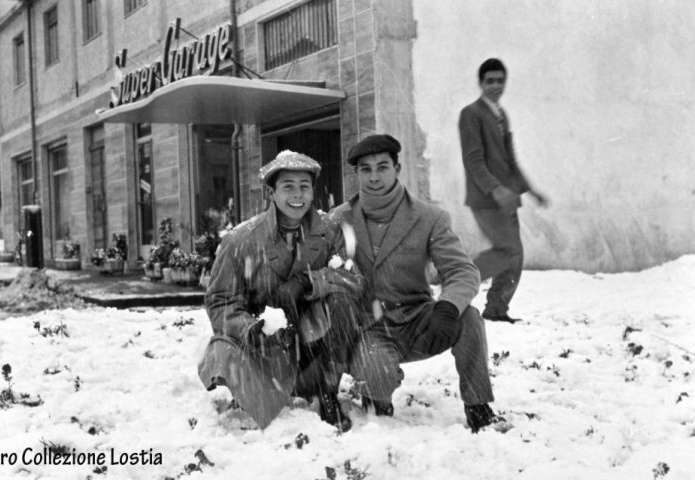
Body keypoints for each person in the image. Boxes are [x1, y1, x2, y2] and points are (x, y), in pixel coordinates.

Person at [329, 134, 503, 432]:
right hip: (372, 325)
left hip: (420, 320)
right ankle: (375, 396)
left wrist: (447, 309)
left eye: (382, 167)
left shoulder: (429, 218)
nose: (374, 177)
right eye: (366, 169)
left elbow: (462, 270)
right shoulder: (339, 220)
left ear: (397, 169)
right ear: (356, 174)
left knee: (469, 318)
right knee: (375, 381)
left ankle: (478, 407)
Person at [198, 150, 364, 431]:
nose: (297, 195)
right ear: (271, 193)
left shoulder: (330, 230)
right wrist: (251, 329)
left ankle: (326, 389)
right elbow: (220, 302)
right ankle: (256, 390)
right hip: (262, 348)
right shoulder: (241, 240)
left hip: (312, 346)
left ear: (313, 192)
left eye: (304, 186)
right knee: (223, 353)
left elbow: (353, 279)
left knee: (344, 303)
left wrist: (307, 282)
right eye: (288, 186)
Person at [459, 58, 549, 323]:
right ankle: (456, 285)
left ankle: (497, 309)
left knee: (515, 255)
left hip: (508, 199)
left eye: (500, 81)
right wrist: (496, 190)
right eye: (490, 81)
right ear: (481, 83)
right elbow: (473, 159)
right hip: (486, 199)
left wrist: (530, 191)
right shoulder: (471, 114)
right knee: (506, 251)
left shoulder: (500, 114)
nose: (496, 86)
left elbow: (510, 160)